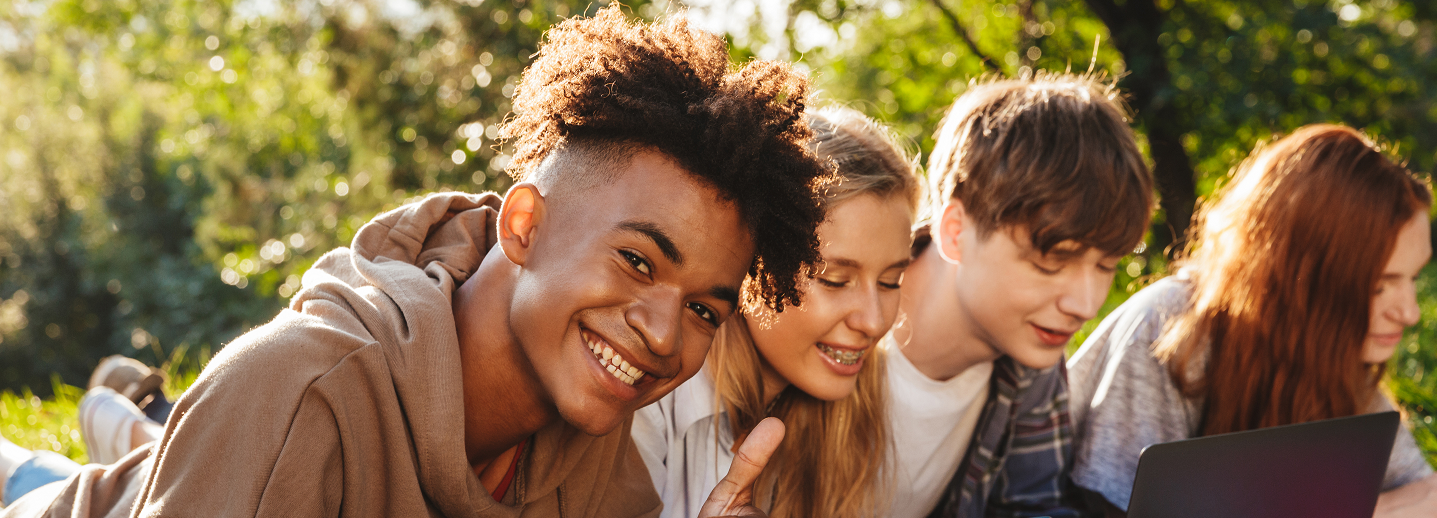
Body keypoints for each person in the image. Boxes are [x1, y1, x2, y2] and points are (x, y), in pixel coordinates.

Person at [0, 6, 832, 517]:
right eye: (638, 262)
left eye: (702, 310)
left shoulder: (597, 464)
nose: (661, 335)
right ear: (524, 226)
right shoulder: (297, 391)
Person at [1067, 124, 1437, 517]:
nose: (1409, 312)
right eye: (1380, 285)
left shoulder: (1332, 353)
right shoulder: (1170, 330)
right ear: (1304, 272)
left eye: (1412, 278)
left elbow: (1422, 493)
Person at [633, 106, 922, 518]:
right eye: (835, 280)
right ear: (752, 266)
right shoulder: (648, 394)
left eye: (891, 281)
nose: (874, 322)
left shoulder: (852, 428)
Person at [900, 72, 1154, 518]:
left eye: (1106, 266)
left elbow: (1034, 505)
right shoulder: (829, 323)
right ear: (957, 233)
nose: (1085, 306)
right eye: (1049, 263)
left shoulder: (1033, 360)